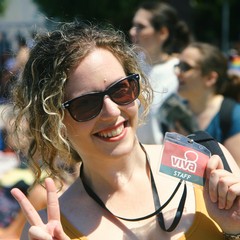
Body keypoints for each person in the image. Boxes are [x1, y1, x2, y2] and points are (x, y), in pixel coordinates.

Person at [9, 21, 240, 240]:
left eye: (121, 89)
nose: (111, 111)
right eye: (86, 104)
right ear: (54, 120)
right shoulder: (51, 224)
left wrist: (234, 230)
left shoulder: (206, 163)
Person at [129, 1, 194, 144]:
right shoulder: (128, 66)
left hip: (161, 160)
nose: (132, 32)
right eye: (134, 25)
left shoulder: (179, 74)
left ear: (163, 33)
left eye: (141, 27)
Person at [175, 42, 240, 166]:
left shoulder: (233, 116)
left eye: (186, 67)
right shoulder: (175, 112)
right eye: (178, 65)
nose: (178, 72)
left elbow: (236, 177)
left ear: (210, 78)